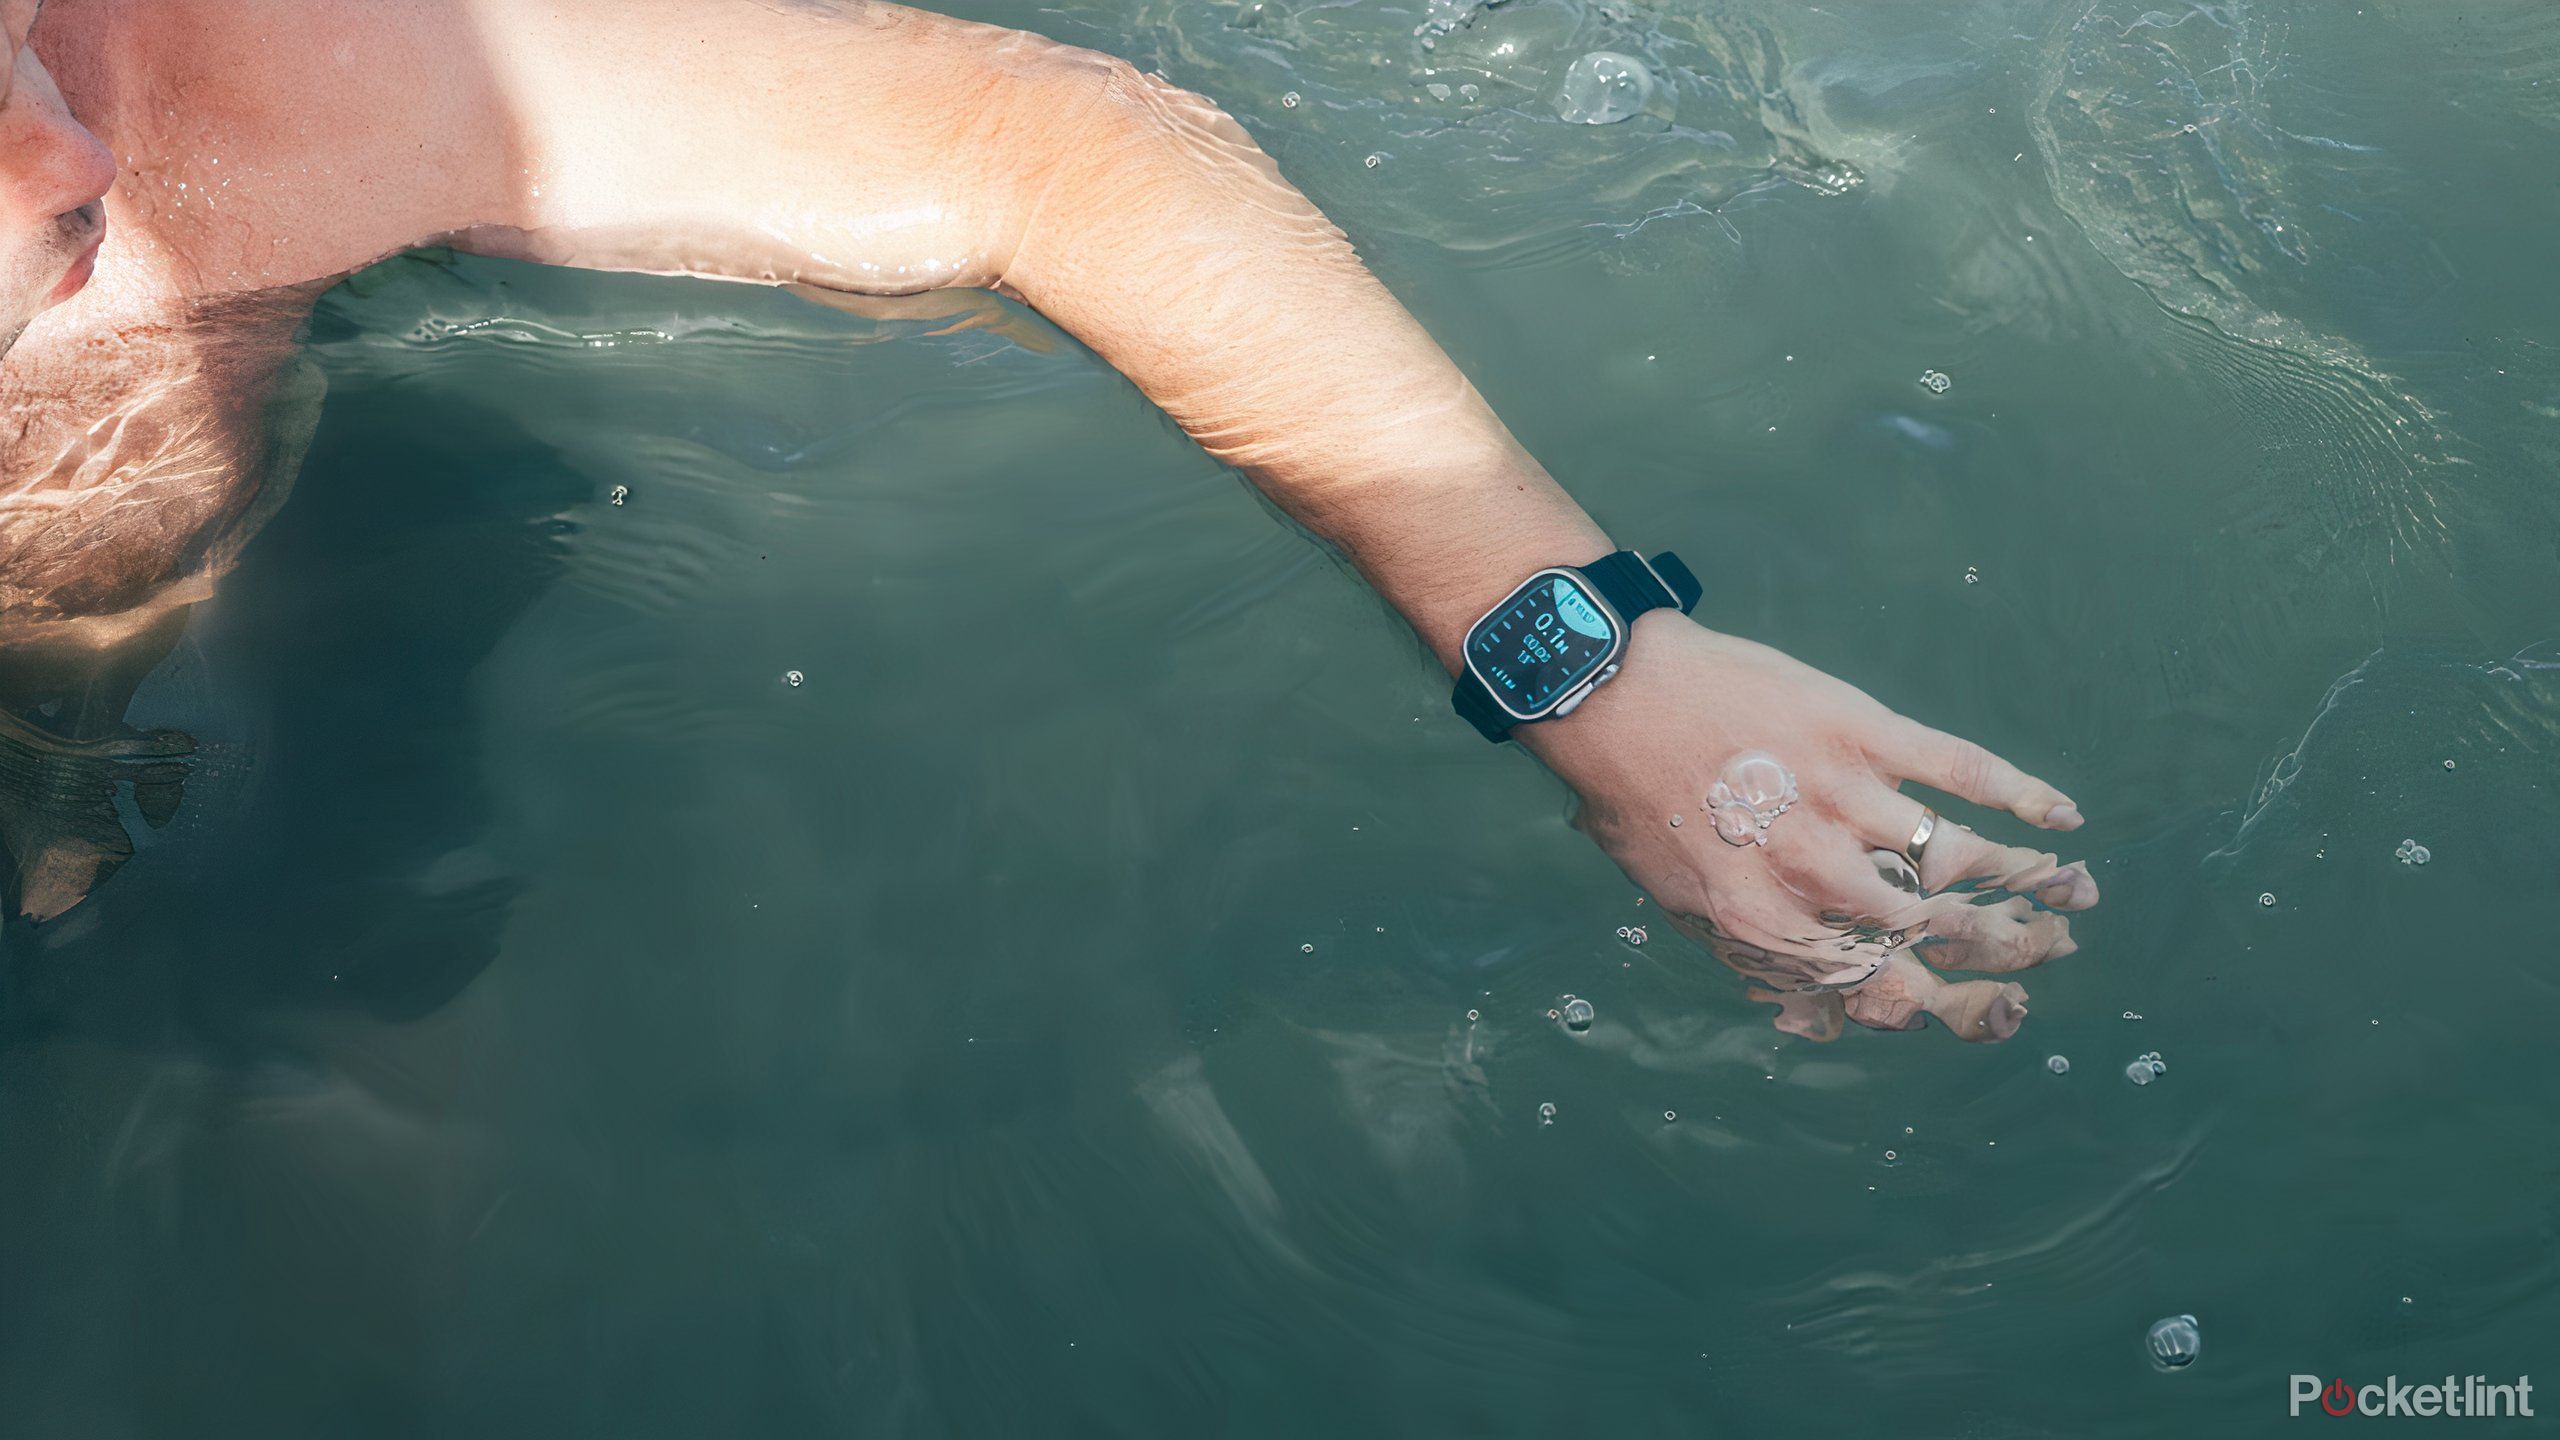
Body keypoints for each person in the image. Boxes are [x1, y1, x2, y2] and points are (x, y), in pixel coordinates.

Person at [0, 0, 2097, 1039]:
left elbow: (1048, 154)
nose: (62, 143)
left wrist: (1582, 659)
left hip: (275, 671)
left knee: (362, 1075)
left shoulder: (218, 67)